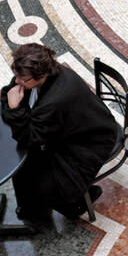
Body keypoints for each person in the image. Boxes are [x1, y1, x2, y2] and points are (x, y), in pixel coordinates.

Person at [1, 44, 120, 221]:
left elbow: (30, 137)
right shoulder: (35, 73)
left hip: (90, 140)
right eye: (16, 76)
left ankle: (72, 206)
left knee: (44, 182)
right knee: (26, 167)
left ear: (41, 76)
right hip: (69, 129)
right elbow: (6, 94)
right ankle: (31, 210)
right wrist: (12, 103)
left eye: (23, 79)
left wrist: (14, 108)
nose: (17, 82)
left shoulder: (55, 100)